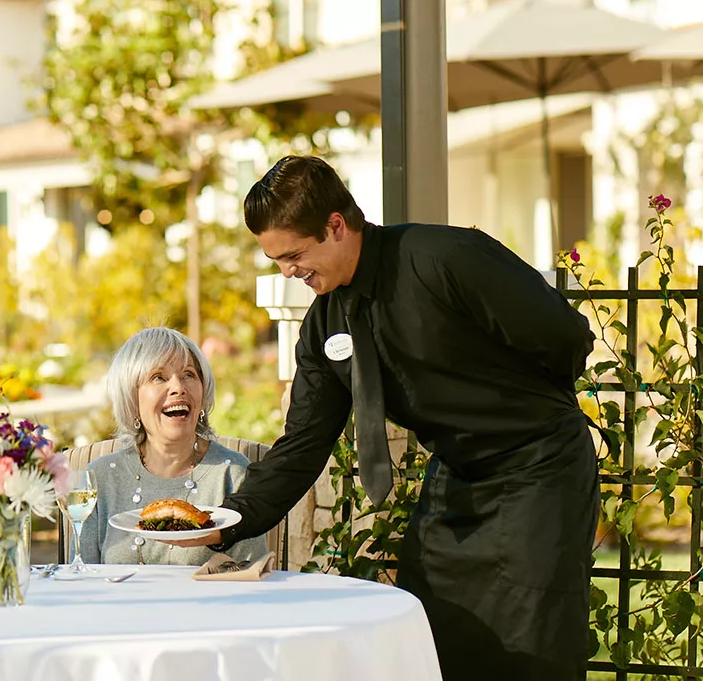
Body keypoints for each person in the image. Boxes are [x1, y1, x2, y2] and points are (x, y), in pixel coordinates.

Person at [172, 156, 598, 681]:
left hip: (539, 470)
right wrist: (224, 524)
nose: (288, 271)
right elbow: (303, 446)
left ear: (335, 225)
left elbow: (566, 338)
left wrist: (517, 401)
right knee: (429, 632)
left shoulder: (448, 258)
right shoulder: (321, 325)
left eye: (294, 255)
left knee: (532, 645)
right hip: (456, 478)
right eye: (276, 259)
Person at [79, 327, 268, 566]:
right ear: (132, 399)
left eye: (189, 374)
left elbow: (252, 573)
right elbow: (82, 576)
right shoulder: (101, 477)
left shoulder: (231, 473)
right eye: (159, 377)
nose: (179, 387)